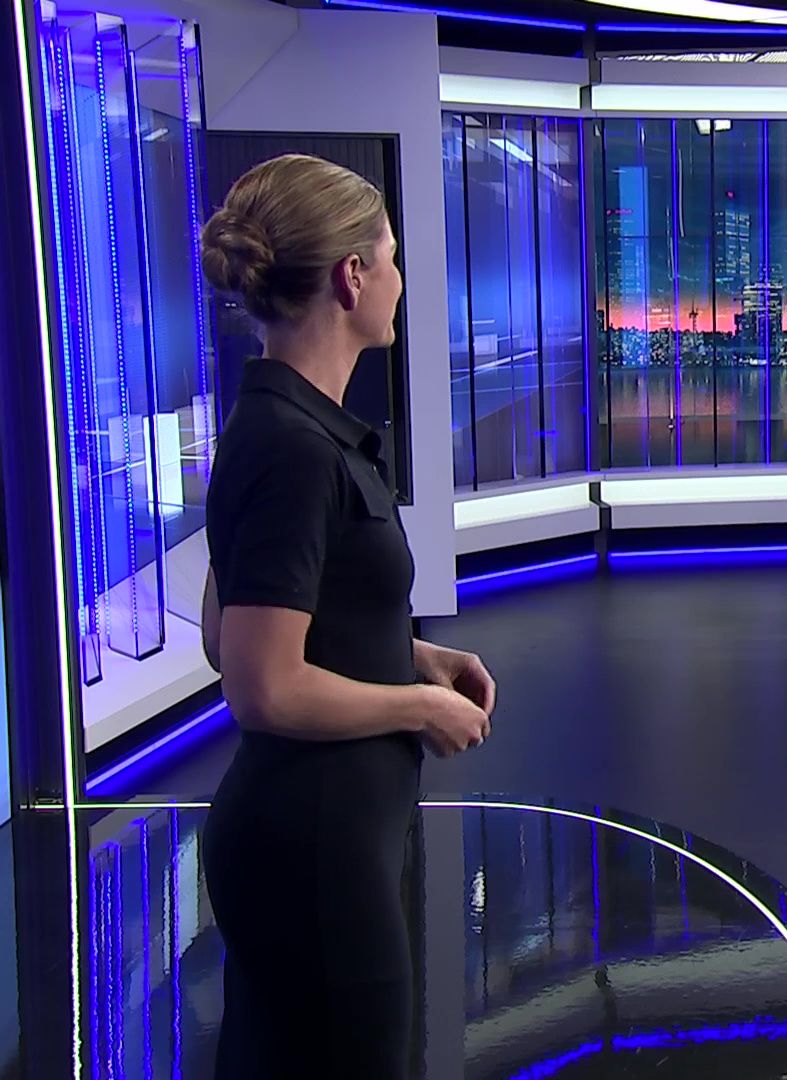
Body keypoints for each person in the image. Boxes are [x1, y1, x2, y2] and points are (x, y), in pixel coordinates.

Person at [195, 153, 495, 1080]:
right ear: (351, 276)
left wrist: (413, 656)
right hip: (311, 855)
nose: (401, 278)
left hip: (320, 844)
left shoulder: (291, 428)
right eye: (392, 257)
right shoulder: (291, 448)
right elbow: (261, 683)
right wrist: (418, 705)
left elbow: (237, 626)